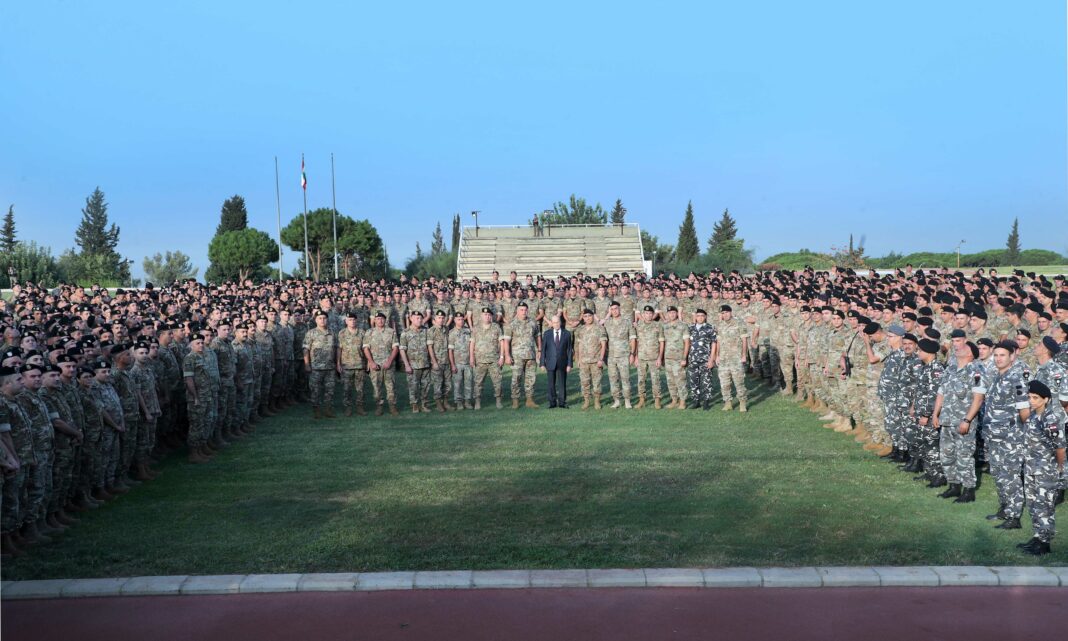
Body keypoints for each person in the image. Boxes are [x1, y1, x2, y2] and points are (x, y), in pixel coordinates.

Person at [1018, 380, 1067, 555]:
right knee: (1033, 504)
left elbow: (1060, 448)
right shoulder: (1032, 417)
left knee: (1045, 506)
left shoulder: (1051, 419)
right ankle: (1038, 536)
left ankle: (1045, 544)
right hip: (1031, 469)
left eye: (1035, 398)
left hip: (1046, 471)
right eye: (1030, 397)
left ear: (1046, 399)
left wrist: (1059, 468)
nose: (1032, 400)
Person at [504, 302, 540, 409]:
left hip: (530, 355)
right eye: (521, 310)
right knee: (516, 378)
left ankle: (529, 400)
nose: (524, 312)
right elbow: (506, 341)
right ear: (517, 311)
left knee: (531, 379)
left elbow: (537, 337)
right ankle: (515, 400)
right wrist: (507, 355)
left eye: (525, 309)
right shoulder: (511, 324)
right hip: (517, 356)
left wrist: (540, 350)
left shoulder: (533, 322)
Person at [303, 311, 337, 419]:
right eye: (320, 318)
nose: (322, 320)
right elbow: (305, 349)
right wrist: (307, 364)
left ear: (327, 319)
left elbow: (336, 348)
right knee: (315, 390)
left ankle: (328, 409)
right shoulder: (311, 333)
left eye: (324, 318)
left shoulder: (332, 332)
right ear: (316, 320)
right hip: (316, 367)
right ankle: (316, 409)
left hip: (330, 367)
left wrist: (337, 363)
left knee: (330, 390)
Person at [714, 305, 748, 411]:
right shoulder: (720, 325)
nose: (725, 315)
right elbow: (718, 342)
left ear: (731, 312)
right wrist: (717, 355)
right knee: (724, 383)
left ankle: (742, 403)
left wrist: (743, 355)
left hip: (736, 358)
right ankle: (728, 403)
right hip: (724, 358)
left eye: (726, 312)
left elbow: (744, 340)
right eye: (723, 313)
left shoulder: (739, 323)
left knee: (739, 382)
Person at [573, 309, 606, 410]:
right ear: (583, 318)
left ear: (593, 316)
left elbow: (603, 345)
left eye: (589, 316)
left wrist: (601, 359)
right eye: (585, 316)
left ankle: (597, 401)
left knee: (597, 383)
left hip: (596, 361)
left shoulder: (600, 328)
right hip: (584, 361)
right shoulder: (580, 329)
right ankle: (586, 401)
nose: (588, 318)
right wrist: (578, 359)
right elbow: (579, 345)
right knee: (585, 382)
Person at [540, 314, 572, 408]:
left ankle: (562, 402)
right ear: (552, 324)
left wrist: (569, 364)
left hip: (563, 362)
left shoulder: (567, 333)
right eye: (554, 322)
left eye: (558, 322)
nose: (556, 324)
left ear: (560, 322)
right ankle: (552, 402)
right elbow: (543, 349)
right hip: (550, 362)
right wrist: (542, 363)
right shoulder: (547, 334)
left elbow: (569, 350)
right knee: (551, 383)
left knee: (562, 383)